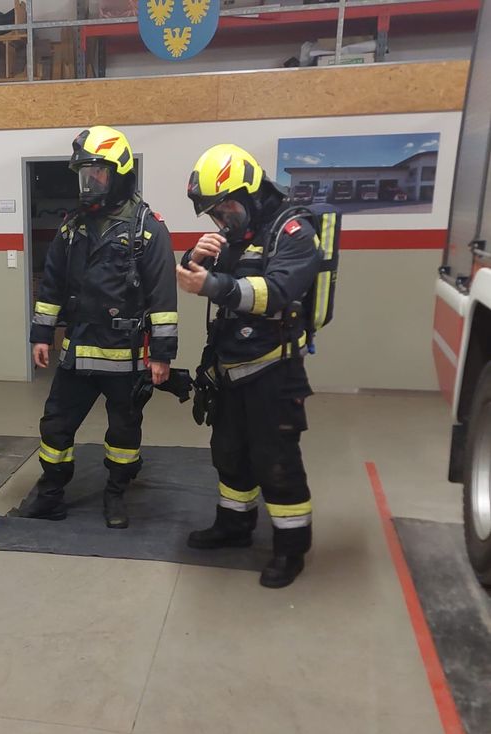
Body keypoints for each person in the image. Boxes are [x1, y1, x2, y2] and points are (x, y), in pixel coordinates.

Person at [176, 143, 320, 589]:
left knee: (275, 461)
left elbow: (275, 292)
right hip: (230, 367)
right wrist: (194, 259)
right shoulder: (236, 236)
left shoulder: (293, 230)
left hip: (273, 371)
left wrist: (211, 283)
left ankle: (290, 548)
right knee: (230, 454)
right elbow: (205, 280)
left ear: (252, 191)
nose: (223, 220)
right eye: (215, 214)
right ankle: (234, 526)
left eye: (227, 208)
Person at [22, 125, 178, 529]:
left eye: (98, 173)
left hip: (127, 356)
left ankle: (116, 494)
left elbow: (163, 298)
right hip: (77, 350)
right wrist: (41, 335)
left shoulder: (149, 227)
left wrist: (161, 356)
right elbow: (52, 284)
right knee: (56, 425)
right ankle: (51, 493)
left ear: (120, 173)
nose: (89, 182)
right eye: (84, 173)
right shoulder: (72, 226)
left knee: (124, 432)